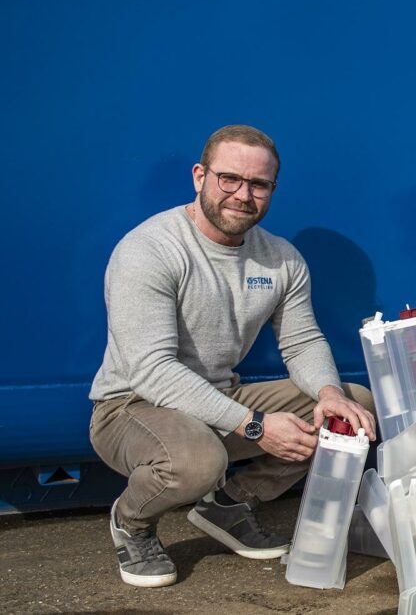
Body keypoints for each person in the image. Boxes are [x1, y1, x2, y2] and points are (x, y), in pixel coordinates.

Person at [89, 125, 376, 588]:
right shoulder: (150, 249)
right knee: (198, 462)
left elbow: (301, 342)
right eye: (229, 179)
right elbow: (152, 370)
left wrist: (327, 393)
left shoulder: (282, 258)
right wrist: (257, 426)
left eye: (258, 184)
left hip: (220, 396)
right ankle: (132, 522)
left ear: (272, 190)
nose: (243, 195)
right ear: (199, 176)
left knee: (353, 407)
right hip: (130, 406)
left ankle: (229, 505)